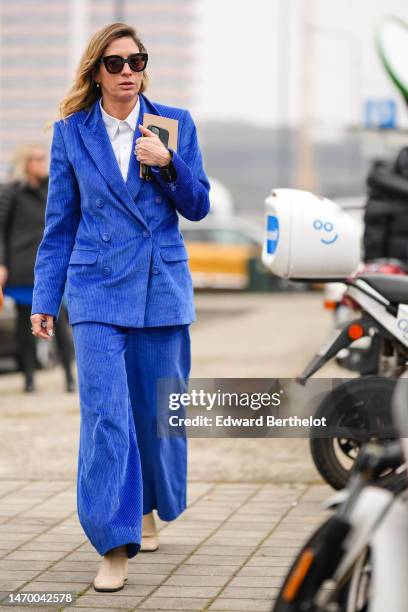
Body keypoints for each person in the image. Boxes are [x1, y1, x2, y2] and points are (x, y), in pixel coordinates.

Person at [30, 22, 210, 592]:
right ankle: (114, 540)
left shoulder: (172, 124)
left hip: (161, 286)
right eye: (115, 63)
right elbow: (59, 225)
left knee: (158, 418)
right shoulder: (71, 133)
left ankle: (149, 506)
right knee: (107, 415)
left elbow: (199, 204)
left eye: (136, 61)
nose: (128, 71)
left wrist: (167, 162)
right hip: (95, 288)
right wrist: (43, 297)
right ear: (96, 71)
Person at [0, 143, 75, 392]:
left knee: (61, 322)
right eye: (35, 159)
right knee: (25, 324)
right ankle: (29, 380)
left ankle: (70, 378)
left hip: (52, 267)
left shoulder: (53, 190)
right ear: (24, 162)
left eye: (43, 158)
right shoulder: (9, 192)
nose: (41, 163)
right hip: (21, 266)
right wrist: (1, 264)